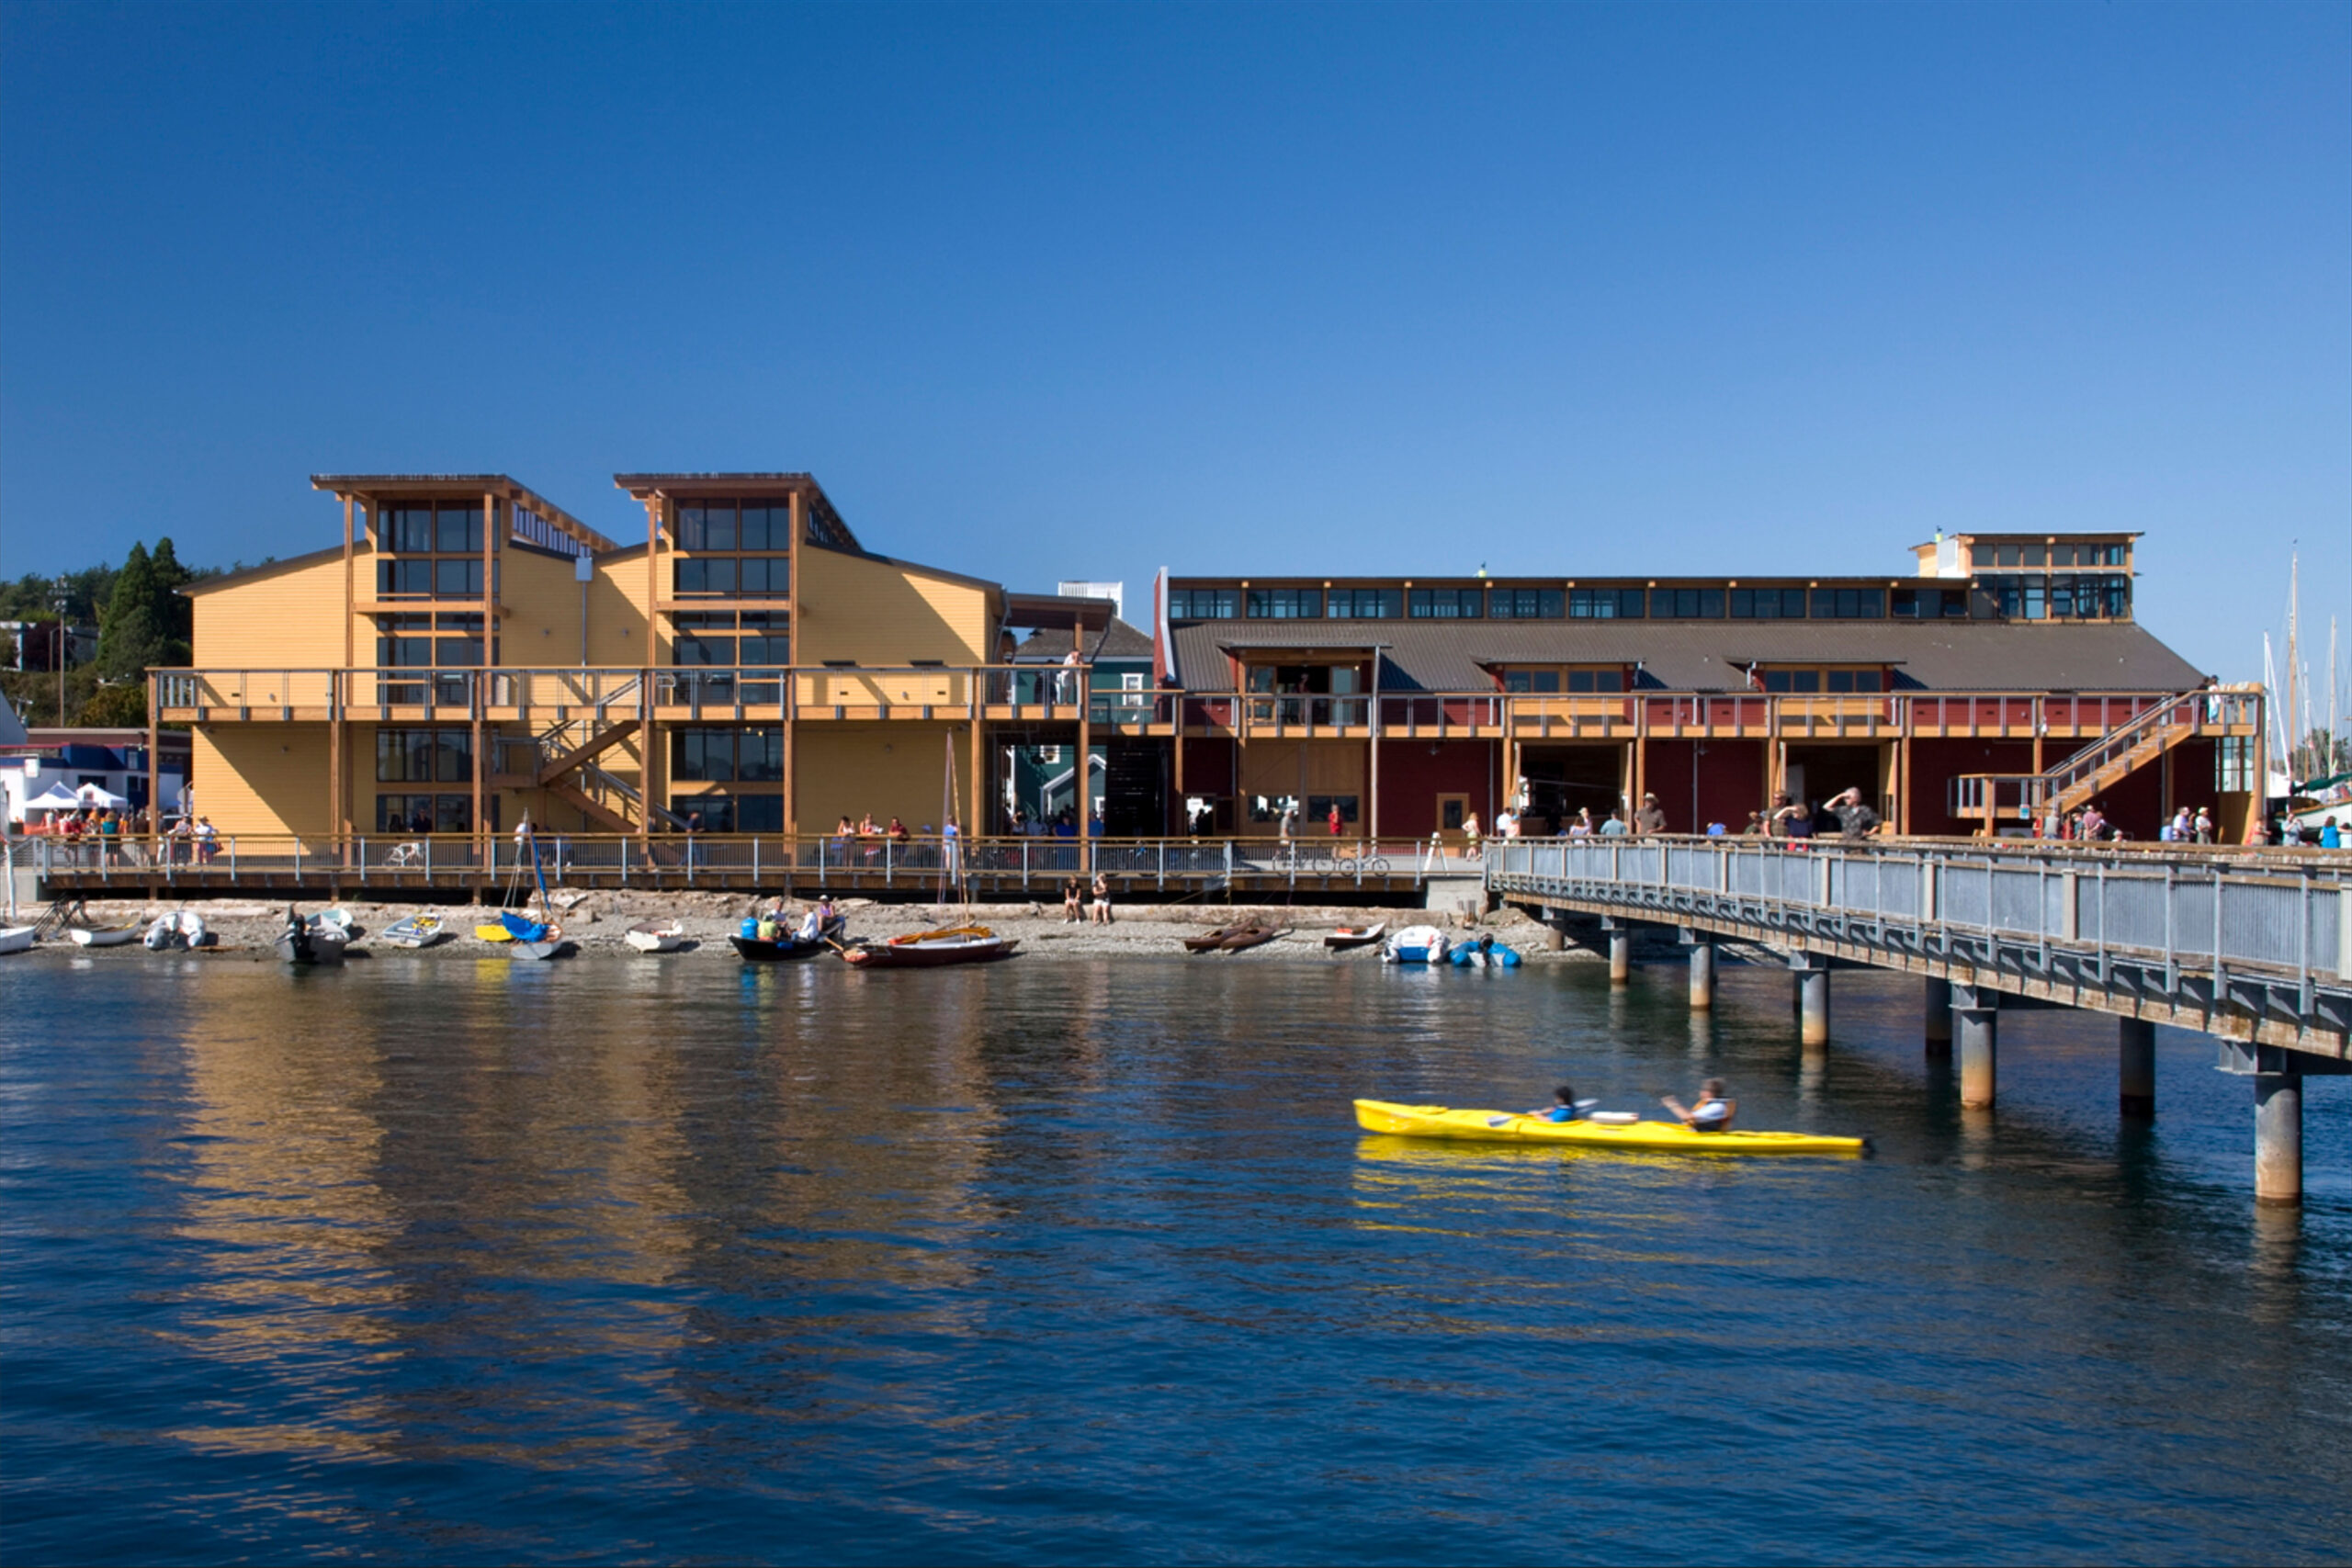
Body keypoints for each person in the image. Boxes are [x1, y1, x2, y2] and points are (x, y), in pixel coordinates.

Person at [1663, 1078, 1736, 1133]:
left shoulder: (1717, 1107)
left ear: (1708, 1093)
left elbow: (1687, 1117)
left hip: (1708, 1136)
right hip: (1698, 1133)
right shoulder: (1709, 1104)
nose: (1701, 1092)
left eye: (1703, 1090)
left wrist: (1672, 1104)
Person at [1523, 1085, 1588, 1123]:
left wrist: (1536, 1115)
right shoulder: (1571, 1107)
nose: (1555, 1099)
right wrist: (1542, 1112)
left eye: (1556, 1097)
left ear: (1561, 1099)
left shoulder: (1562, 1112)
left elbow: (1547, 1121)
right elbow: (1554, 1109)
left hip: (1556, 1126)